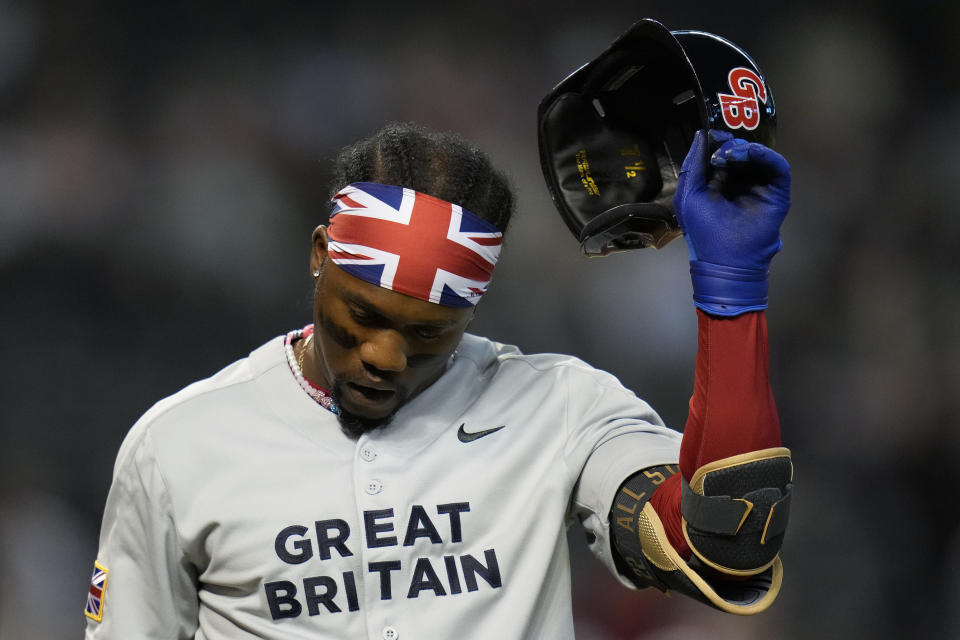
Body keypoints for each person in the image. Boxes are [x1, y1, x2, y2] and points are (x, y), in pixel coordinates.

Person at [84, 121, 792, 639]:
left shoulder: (560, 409)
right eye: (361, 315)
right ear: (318, 255)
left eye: (428, 332)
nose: (385, 355)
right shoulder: (180, 444)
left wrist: (732, 287)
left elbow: (727, 538)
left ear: (470, 311)